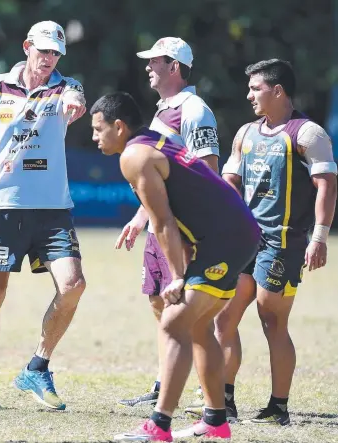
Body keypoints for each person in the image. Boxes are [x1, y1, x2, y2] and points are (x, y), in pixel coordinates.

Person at [90, 92, 260, 441]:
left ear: (119, 127)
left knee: (173, 322)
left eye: (98, 129)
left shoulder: (134, 156)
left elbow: (164, 221)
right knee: (197, 327)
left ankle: (159, 425)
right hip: (237, 232)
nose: (94, 137)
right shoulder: (153, 142)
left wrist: (179, 276)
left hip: (224, 238)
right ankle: (216, 421)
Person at [0, 20, 87, 411]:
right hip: (2, 206)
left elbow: (76, 97)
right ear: (27, 46)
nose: (48, 59)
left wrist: (75, 102)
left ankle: (38, 365)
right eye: (43, 50)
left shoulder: (67, 87)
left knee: (73, 285)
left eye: (55, 54)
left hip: (53, 209)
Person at [218, 59, 337, 425]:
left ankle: (278, 407)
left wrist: (318, 237)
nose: (249, 94)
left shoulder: (308, 134)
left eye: (256, 88)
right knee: (224, 318)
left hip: (282, 241)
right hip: (244, 241)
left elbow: (327, 185)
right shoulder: (245, 133)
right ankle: (223, 402)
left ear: (278, 91)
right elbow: (230, 180)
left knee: (271, 320)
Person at [116, 37, 220, 416]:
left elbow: (209, 171)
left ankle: (212, 395)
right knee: (160, 304)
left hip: (185, 230)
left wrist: (192, 228)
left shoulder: (194, 110)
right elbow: (156, 182)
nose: (147, 67)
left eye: (155, 62)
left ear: (174, 67)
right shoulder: (164, 110)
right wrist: (139, 217)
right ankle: (164, 382)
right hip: (161, 227)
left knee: (187, 312)